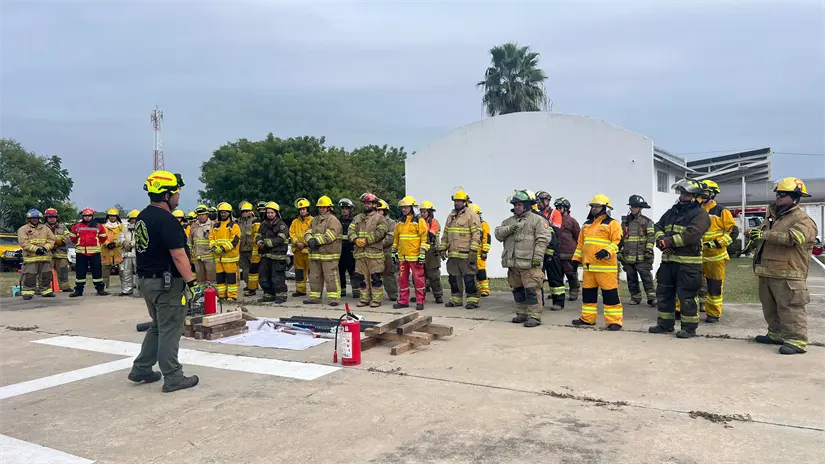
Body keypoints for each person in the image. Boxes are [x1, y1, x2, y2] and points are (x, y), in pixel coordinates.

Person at [129, 170, 200, 392]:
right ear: (166, 195)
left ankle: (141, 368)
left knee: (158, 327)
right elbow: (178, 255)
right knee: (171, 329)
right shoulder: (167, 220)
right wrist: (192, 283)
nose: (178, 196)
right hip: (166, 284)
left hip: (147, 282)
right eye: (176, 193)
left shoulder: (142, 217)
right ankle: (173, 377)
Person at [751, 177, 818, 355]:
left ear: (795, 198)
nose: (778, 197)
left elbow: (794, 238)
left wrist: (765, 235)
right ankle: (775, 334)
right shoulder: (774, 217)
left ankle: (796, 340)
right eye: (778, 194)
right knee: (769, 307)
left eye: (783, 194)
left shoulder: (803, 219)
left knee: (791, 308)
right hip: (768, 272)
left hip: (790, 274)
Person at [648, 179, 711, 339]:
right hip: (668, 262)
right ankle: (665, 324)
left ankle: (689, 329)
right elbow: (657, 226)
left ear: (696, 197)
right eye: (682, 193)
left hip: (688, 265)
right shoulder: (672, 212)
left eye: (687, 194)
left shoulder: (701, 215)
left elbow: (692, 234)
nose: (683, 196)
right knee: (664, 293)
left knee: (687, 297)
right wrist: (661, 239)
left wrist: (668, 242)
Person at [495, 190, 551, 327]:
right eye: (515, 205)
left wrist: (537, 258)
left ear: (527, 205)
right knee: (518, 289)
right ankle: (521, 313)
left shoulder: (538, 220)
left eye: (519, 204)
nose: (516, 207)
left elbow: (543, 240)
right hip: (513, 263)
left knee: (532, 290)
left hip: (530, 264)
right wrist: (510, 229)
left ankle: (534, 316)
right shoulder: (508, 221)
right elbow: (498, 234)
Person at [572, 195, 624, 331]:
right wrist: (575, 260)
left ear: (605, 208)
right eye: (593, 206)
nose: (594, 209)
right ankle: (587, 318)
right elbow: (580, 245)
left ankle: (614, 322)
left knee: (610, 296)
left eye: (597, 206)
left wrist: (607, 251)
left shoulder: (613, 223)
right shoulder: (586, 224)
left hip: (606, 268)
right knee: (588, 296)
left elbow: (618, 242)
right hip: (589, 268)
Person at [697, 180, 736, 322]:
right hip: (697, 256)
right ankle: (692, 308)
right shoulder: (695, 210)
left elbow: (733, 231)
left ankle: (713, 313)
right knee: (692, 284)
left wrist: (718, 243)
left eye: (704, 193)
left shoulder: (721, 211)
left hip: (716, 257)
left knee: (714, 286)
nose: (701, 196)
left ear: (712, 194)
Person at [440, 190, 482, 308]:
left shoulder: (471, 215)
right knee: (453, 278)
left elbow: (476, 234)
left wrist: (473, 250)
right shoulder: (451, 216)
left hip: (466, 253)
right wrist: (443, 248)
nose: (457, 203)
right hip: (453, 254)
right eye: (455, 201)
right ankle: (456, 299)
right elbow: (445, 234)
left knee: (469, 278)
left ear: (465, 202)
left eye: (459, 201)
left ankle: (472, 300)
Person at [347, 193, 389, 307]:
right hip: (360, 254)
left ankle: (376, 300)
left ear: (374, 204)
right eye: (365, 203)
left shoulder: (379, 218)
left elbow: (381, 233)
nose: (366, 205)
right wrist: (355, 239)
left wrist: (366, 240)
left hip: (374, 254)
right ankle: (364, 299)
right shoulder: (357, 218)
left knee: (375, 278)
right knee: (362, 279)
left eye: (369, 203)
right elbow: (350, 231)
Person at [304, 195, 343, 306]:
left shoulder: (333, 220)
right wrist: (309, 239)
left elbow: (331, 235)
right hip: (315, 254)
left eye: (324, 207)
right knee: (314, 276)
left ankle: (333, 299)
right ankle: (315, 298)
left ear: (328, 208)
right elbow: (307, 232)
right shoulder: (314, 220)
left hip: (329, 254)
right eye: (320, 207)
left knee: (331, 277)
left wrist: (315, 241)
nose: (321, 209)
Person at [392, 196, 429, 310]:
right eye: (403, 207)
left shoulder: (419, 221)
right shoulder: (400, 222)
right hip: (403, 256)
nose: (404, 209)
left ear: (412, 207)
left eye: (406, 207)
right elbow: (396, 239)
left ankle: (420, 301)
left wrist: (422, 253)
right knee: (402, 279)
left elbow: (424, 238)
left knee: (418, 279)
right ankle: (403, 301)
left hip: (415, 256)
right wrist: (394, 251)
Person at [619, 195, 657, 306]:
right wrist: (619, 251)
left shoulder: (647, 222)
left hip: (643, 256)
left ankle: (651, 297)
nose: (633, 208)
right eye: (632, 206)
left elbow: (651, 237)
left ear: (640, 208)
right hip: (628, 256)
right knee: (631, 277)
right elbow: (620, 238)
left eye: (635, 206)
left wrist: (649, 250)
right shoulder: (625, 222)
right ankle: (635, 297)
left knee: (646, 277)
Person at [69, 208, 109, 297]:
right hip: (81, 253)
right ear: (83, 216)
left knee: (97, 272)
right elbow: (73, 238)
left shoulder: (99, 226)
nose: (87, 217)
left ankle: (100, 289)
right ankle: (78, 290)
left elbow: (103, 238)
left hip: (95, 253)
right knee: (80, 273)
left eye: (89, 216)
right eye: (85, 216)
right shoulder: (77, 226)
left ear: (92, 216)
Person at [18, 209, 56, 300]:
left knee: (46, 274)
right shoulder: (23, 229)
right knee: (30, 275)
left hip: (45, 256)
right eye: (33, 218)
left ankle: (46, 291)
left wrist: (45, 248)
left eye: (37, 218)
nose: (35, 220)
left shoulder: (45, 228)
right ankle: (28, 292)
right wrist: (36, 249)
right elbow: (24, 243)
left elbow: (52, 240)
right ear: (29, 219)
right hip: (31, 258)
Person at [256, 201, 289, 303]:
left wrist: (265, 243)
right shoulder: (264, 224)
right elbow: (258, 235)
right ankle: (268, 294)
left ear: (276, 213)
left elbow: (280, 239)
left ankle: (281, 296)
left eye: (272, 212)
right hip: (266, 256)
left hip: (278, 256)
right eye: (268, 212)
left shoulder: (282, 225)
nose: (269, 214)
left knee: (277, 277)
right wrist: (259, 242)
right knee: (264, 276)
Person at [210, 202, 241, 301]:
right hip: (218, 257)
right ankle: (222, 295)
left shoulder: (233, 225)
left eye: (225, 212)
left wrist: (223, 248)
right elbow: (211, 238)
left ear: (229, 213)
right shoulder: (215, 225)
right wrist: (214, 247)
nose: (223, 214)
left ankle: (232, 296)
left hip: (230, 257)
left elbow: (235, 240)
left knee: (231, 277)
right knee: (220, 278)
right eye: (222, 212)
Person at [554, 198, 581, 301]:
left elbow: (579, 237)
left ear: (566, 208)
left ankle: (574, 290)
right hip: (557, 253)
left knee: (571, 273)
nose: (557, 209)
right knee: (557, 275)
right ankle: (558, 294)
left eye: (559, 207)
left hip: (569, 253)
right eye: (556, 208)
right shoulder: (554, 220)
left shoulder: (572, 221)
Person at [419, 201, 443, 304]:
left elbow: (430, 235)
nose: (423, 214)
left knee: (434, 275)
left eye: (425, 212)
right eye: (421, 212)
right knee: (420, 275)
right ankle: (420, 296)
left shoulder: (434, 222)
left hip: (432, 251)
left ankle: (438, 295)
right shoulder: (418, 222)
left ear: (430, 212)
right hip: (420, 250)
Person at [44, 208, 73, 292]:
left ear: (57, 218)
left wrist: (61, 241)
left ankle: (65, 287)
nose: (52, 219)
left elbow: (69, 237)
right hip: (48, 253)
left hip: (61, 253)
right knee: (46, 272)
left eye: (54, 217)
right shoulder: (42, 228)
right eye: (50, 217)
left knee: (63, 271)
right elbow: (41, 239)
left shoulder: (63, 227)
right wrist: (52, 243)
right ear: (46, 218)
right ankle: (45, 289)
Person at [337, 198, 361, 298]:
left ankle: (356, 291)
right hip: (340, 250)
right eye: (342, 208)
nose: (344, 210)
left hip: (351, 250)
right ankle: (342, 291)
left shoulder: (354, 221)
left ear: (350, 210)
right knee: (340, 271)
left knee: (353, 272)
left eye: (346, 208)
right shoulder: (337, 221)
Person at [289, 198, 313, 297]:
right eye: (300, 209)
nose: (302, 211)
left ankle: (315, 291)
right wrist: (296, 242)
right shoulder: (295, 222)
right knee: (299, 272)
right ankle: (300, 290)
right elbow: (292, 233)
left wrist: (304, 243)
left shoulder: (313, 221)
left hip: (309, 251)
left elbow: (314, 233)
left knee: (312, 273)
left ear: (307, 210)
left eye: (304, 209)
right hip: (298, 251)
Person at [378, 199, 399, 301]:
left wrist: (376, 244)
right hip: (375, 253)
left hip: (387, 253)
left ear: (385, 211)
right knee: (374, 275)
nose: (378, 212)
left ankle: (393, 294)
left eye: (380, 210)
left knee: (388, 274)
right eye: (376, 210)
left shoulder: (391, 223)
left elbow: (391, 238)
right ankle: (376, 296)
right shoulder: (373, 222)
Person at [469, 204, 492, 297]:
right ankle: (476, 288)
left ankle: (484, 289)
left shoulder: (484, 224)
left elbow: (487, 238)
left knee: (481, 271)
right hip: (471, 251)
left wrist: (485, 251)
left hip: (480, 252)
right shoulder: (469, 225)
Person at [189, 205, 216, 285]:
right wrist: (190, 252)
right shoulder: (194, 225)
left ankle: (212, 291)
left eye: (202, 215)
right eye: (199, 215)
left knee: (211, 275)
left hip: (209, 255)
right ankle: (201, 291)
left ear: (207, 215)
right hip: (198, 255)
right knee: (199, 275)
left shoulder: (212, 225)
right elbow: (190, 240)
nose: (200, 217)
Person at [237, 201, 259, 296]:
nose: (245, 213)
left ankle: (254, 286)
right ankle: (248, 285)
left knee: (254, 270)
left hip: (252, 249)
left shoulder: (255, 221)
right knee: (245, 270)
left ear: (251, 211)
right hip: (242, 249)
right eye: (243, 211)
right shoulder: (237, 222)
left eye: (247, 211)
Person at [118, 209, 140, 296]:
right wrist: (123, 242)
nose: (134, 220)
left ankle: (140, 292)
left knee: (139, 274)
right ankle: (127, 291)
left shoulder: (142, 229)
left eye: (136, 218)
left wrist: (133, 244)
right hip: (126, 255)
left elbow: (144, 241)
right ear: (129, 219)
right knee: (126, 273)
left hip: (137, 255)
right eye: (132, 218)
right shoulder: (124, 229)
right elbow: (120, 238)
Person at [101, 208, 124, 291]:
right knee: (105, 271)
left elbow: (123, 237)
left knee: (122, 271)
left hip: (117, 251)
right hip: (106, 251)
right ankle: (104, 288)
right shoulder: (103, 226)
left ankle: (125, 288)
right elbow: (101, 237)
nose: (112, 217)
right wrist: (107, 244)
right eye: (110, 216)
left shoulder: (121, 226)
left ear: (117, 217)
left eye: (114, 216)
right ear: (108, 216)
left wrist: (116, 244)